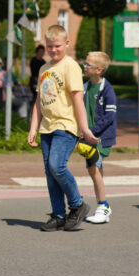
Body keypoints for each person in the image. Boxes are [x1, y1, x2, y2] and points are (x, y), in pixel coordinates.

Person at [27, 25, 98, 232]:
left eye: (57, 46)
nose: (53, 50)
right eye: (49, 46)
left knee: (57, 166)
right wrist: (33, 128)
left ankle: (77, 204)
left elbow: (78, 99)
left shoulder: (70, 66)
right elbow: (39, 101)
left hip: (66, 125)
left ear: (66, 44)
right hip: (47, 127)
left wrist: (84, 128)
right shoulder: (43, 68)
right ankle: (58, 215)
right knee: (50, 172)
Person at [81, 51, 117, 224]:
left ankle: (103, 206)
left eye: (89, 65)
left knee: (94, 167)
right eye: (85, 63)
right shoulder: (85, 86)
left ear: (99, 70)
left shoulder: (107, 89)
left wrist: (92, 131)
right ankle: (102, 205)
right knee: (93, 170)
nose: (85, 67)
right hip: (88, 136)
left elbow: (109, 117)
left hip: (101, 137)